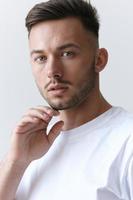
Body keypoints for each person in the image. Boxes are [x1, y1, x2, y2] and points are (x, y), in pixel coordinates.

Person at [0, 0, 133, 199]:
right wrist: (15, 162)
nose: (53, 71)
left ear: (99, 60)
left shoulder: (127, 141)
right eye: (41, 58)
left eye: (67, 53)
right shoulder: (27, 149)